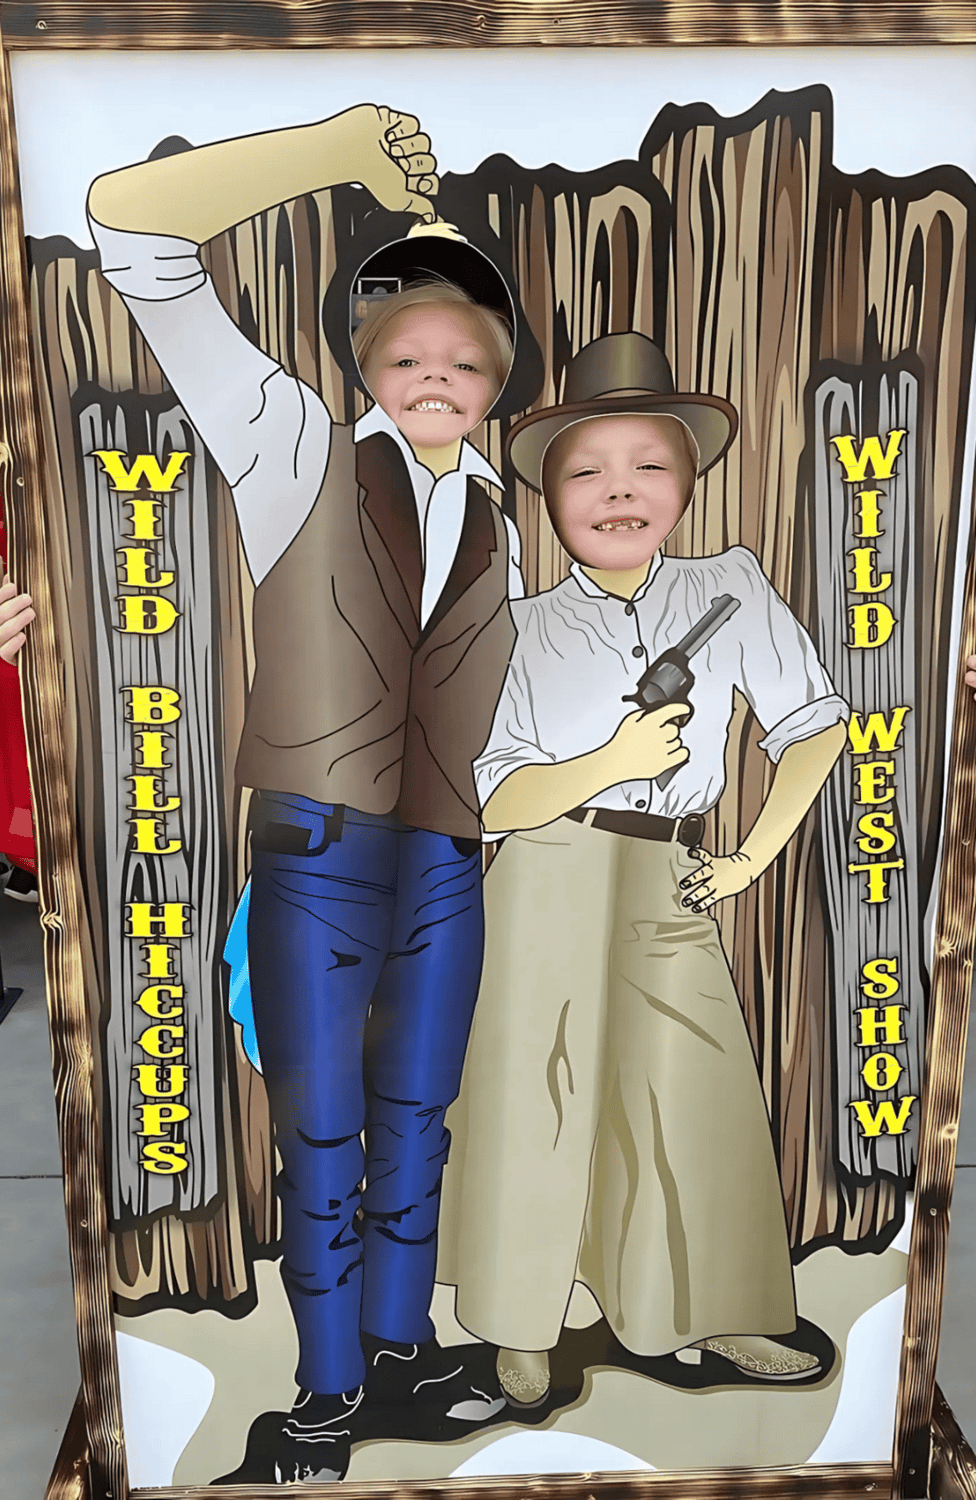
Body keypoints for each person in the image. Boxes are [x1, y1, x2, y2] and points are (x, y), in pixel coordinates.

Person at [0, 106, 532, 1483]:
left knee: (418, 1121)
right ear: (364, 361)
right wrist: (337, 144)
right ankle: (329, 1394)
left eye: (465, 357)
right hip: (319, 852)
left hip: (446, 862)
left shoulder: (504, 521)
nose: (435, 373)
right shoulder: (293, 445)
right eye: (406, 350)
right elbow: (132, 229)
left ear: (499, 380)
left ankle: (400, 1352)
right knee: (324, 1137)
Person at [436, 332, 850, 1409]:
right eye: (586, 470)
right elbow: (493, 798)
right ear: (548, 494)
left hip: (671, 870)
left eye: (648, 465)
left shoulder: (730, 587)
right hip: (543, 869)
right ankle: (520, 1320)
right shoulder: (518, 626)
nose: (619, 490)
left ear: (687, 479)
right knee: (536, 1089)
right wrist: (607, 762)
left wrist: (750, 857)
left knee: (692, 1085)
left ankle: (712, 1310)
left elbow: (814, 727)